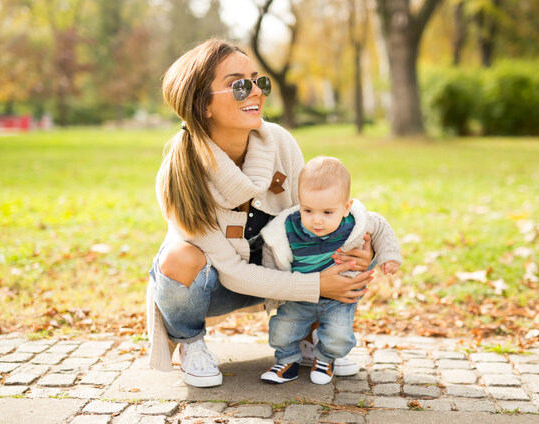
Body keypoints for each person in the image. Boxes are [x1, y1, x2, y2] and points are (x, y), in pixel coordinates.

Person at [146, 38, 374, 388]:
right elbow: (234, 274)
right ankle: (190, 343)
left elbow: (310, 220)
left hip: (278, 268)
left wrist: (360, 247)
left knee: (336, 237)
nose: (255, 92)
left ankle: (314, 335)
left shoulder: (280, 142)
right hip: (217, 282)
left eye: (258, 81)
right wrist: (316, 284)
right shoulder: (179, 174)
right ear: (203, 105)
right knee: (178, 257)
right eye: (238, 85)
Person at [259, 156, 402, 385]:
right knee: (283, 330)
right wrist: (274, 291)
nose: (317, 220)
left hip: (338, 299)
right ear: (300, 202)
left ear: (346, 207)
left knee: (339, 336)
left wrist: (389, 255)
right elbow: (271, 249)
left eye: (327, 213)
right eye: (308, 210)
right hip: (299, 296)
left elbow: (381, 227)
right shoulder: (288, 227)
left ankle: (325, 359)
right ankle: (286, 361)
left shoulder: (354, 223)